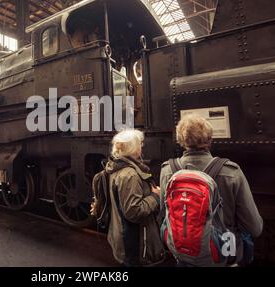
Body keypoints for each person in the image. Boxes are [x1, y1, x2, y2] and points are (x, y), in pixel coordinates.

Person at [159, 114, 263, 266]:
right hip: (223, 252)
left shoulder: (167, 170)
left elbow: (164, 214)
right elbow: (255, 228)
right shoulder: (231, 172)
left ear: (181, 141)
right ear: (209, 139)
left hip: (183, 251)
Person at [100, 129, 165, 266]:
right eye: (140, 143)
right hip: (134, 243)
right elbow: (133, 211)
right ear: (133, 148)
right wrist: (155, 196)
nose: (142, 146)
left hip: (124, 238)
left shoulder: (116, 168)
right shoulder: (129, 175)